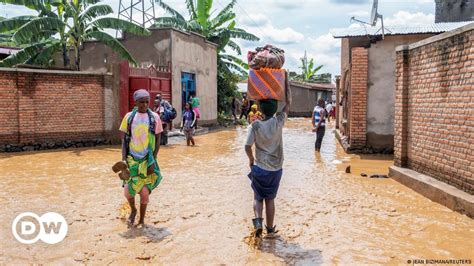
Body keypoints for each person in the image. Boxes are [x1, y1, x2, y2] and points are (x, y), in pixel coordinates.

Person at [245, 75, 291, 238]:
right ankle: (270, 230)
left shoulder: (255, 125)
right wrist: (286, 83)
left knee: (258, 198)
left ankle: (258, 224)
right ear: (274, 109)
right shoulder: (279, 122)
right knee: (270, 200)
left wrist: (251, 160)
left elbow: (246, 146)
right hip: (276, 170)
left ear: (260, 109)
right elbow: (287, 105)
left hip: (260, 168)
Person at [117, 89, 164, 227]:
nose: (144, 104)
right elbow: (124, 139)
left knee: (144, 193)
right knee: (128, 192)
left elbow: (158, 138)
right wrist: (124, 159)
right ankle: (133, 210)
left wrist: (153, 160)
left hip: (146, 160)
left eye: (146, 102)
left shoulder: (154, 117)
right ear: (136, 102)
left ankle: (142, 219)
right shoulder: (129, 117)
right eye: (141, 102)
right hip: (132, 159)